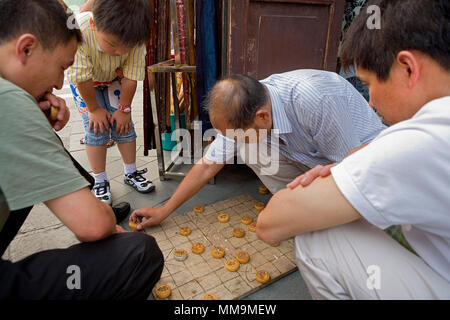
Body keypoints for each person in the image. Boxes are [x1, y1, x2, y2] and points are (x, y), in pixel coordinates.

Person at [256, 0, 450, 299]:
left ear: (408, 69)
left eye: (368, 83)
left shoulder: (421, 141)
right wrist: (354, 169)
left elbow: (270, 226)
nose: (370, 101)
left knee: (318, 237)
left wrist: (342, 179)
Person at [0, 0, 163, 299]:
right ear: (26, 49)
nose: (61, 82)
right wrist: (103, 221)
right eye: (62, 67)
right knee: (139, 254)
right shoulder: (7, 100)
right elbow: (92, 228)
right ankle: (97, 196)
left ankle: (94, 195)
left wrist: (33, 117)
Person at [130, 69, 386, 229]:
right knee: (248, 148)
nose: (230, 138)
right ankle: (295, 204)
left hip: (362, 160)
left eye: (234, 133)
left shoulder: (315, 100)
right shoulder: (245, 105)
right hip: (308, 156)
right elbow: (208, 165)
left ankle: (307, 211)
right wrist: (164, 210)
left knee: (338, 224)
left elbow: (351, 169)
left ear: (262, 116)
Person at [66, 0, 155, 206]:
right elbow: (82, 78)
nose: (118, 52)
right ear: (95, 24)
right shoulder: (78, 32)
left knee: (124, 125)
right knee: (96, 128)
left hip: (114, 78)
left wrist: (124, 109)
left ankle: (131, 172)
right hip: (85, 83)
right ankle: (100, 180)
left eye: (126, 48)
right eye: (112, 44)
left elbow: (131, 77)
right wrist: (95, 109)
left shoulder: (135, 36)